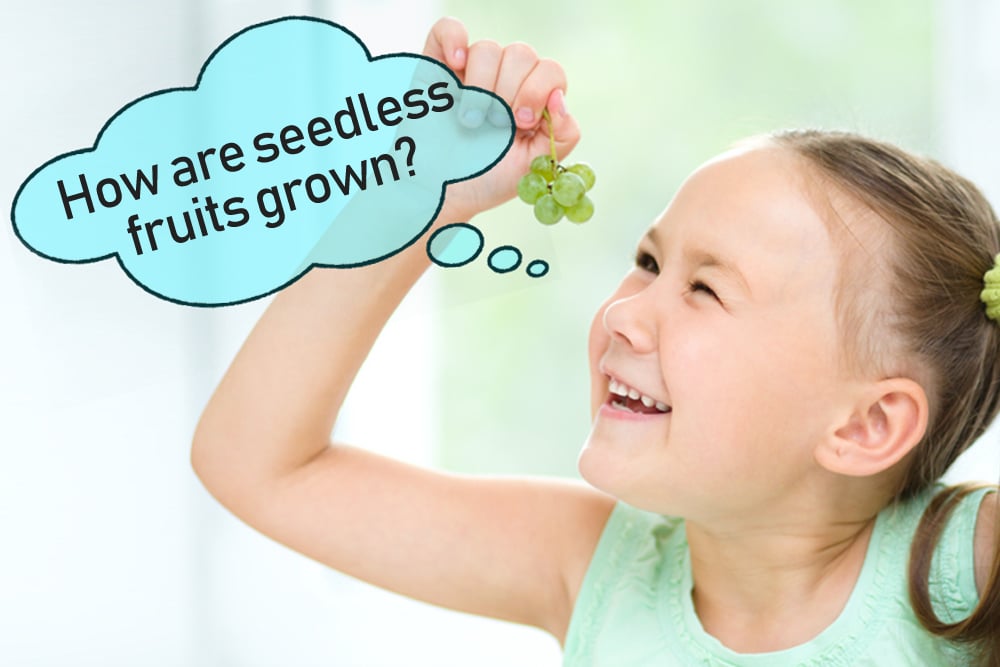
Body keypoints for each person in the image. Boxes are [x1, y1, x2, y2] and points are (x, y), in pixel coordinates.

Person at [191, 16, 1000, 666]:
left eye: (705, 288)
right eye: (647, 260)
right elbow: (258, 463)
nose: (623, 312)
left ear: (866, 425)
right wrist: (415, 192)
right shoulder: (591, 566)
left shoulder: (971, 562)